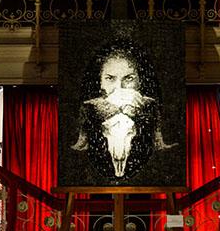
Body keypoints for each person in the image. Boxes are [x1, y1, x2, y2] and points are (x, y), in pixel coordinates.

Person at [71, 40, 174, 180]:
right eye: (110, 78)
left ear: (139, 82)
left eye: (129, 78)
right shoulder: (91, 111)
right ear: (100, 82)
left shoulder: (150, 110)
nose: (119, 87)